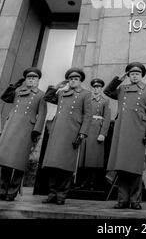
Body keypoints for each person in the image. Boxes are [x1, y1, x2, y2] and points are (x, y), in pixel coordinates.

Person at [104, 62, 146, 209]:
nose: (134, 76)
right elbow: (107, 92)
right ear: (128, 76)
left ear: (141, 76)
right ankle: (122, 200)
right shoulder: (122, 89)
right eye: (131, 74)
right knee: (122, 167)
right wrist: (119, 78)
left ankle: (135, 201)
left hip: (138, 132)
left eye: (137, 74)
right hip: (121, 131)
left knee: (135, 168)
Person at [41, 67, 92, 205]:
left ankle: (61, 195)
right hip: (57, 131)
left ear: (80, 81)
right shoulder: (62, 93)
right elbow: (47, 98)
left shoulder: (86, 94)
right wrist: (57, 86)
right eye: (70, 79)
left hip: (72, 132)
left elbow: (88, 115)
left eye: (75, 79)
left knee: (66, 165)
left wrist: (82, 133)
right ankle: (52, 193)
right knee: (52, 164)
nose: (73, 81)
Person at [0, 67, 47, 201]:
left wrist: (36, 131)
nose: (31, 80)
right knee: (5, 161)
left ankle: (12, 192)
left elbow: (42, 114)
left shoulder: (41, 95)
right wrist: (13, 86)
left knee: (19, 162)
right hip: (11, 127)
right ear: (25, 80)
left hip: (27, 130)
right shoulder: (18, 91)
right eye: (29, 78)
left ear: (38, 80)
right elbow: (4, 97)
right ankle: (2, 190)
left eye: (34, 78)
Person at [78, 78, 111, 190]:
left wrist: (103, 133)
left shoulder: (104, 101)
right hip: (86, 129)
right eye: (94, 87)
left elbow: (106, 119)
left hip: (97, 130)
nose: (96, 89)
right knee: (84, 157)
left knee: (94, 158)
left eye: (98, 87)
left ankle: (92, 182)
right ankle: (83, 182)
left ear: (101, 89)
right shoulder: (87, 100)